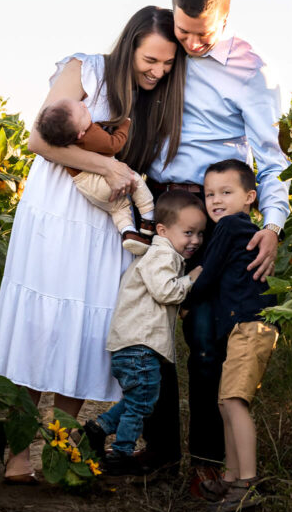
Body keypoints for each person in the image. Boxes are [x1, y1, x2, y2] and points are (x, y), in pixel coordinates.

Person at [0, 5, 187, 483]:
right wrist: (110, 168)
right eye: (150, 60)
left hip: (105, 224)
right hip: (57, 212)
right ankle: (16, 457)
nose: (157, 71)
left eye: (167, 64)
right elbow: (38, 140)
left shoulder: (154, 102)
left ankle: (60, 453)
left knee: (86, 333)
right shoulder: (84, 69)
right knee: (39, 326)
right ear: (130, 45)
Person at [140, 0, 290, 492]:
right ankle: (156, 457)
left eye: (203, 33)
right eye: (184, 31)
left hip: (214, 214)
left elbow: (271, 161)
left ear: (226, 16)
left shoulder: (251, 70)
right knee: (146, 334)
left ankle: (206, 465)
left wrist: (271, 224)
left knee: (206, 340)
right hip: (158, 202)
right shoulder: (166, 46)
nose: (192, 43)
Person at [82, 190, 206, 475]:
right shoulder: (163, 255)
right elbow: (166, 291)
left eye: (200, 234)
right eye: (188, 232)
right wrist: (190, 280)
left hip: (135, 344)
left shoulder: (160, 254)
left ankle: (97, 430)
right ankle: (122, 453)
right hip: (140, 345)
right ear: (162, 230)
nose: (195, 241)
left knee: (140, 399)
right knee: (141, 404)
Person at [186, 159, 279, 512]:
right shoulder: (236, 227)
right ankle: (230, 477)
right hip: (244, 325)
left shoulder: (230, 227)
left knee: (235, 402)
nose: (216, 200)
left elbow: (206, 276)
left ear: (250, 197)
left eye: (227, 192)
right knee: (226, 402)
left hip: (251, 324)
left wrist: (185, 299)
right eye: (210, 194)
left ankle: (247, 483)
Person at [33, 99, 156, 254]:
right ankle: (148, 220)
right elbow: (114, 144)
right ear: (80, 134)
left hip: (87, 189)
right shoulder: (90, 134)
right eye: (83, 111)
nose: (84, 105)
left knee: (118, 208)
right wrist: (124, 124)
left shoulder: (62, 142)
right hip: (101, 181)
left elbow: (49, 156)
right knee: (135, 181)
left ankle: (128, 231)